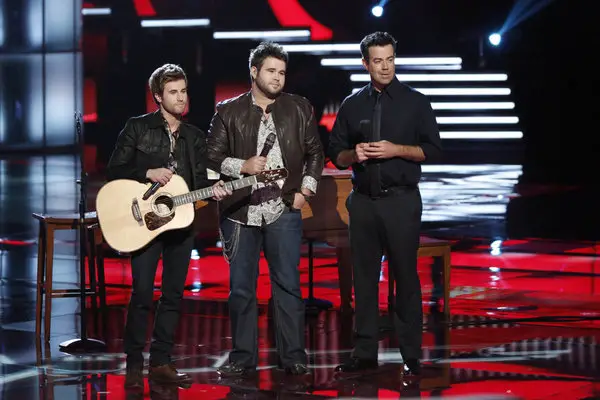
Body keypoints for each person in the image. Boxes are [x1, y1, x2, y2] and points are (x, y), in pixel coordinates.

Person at [106, 64, 231, 389]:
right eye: (173, 92)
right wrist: (147, 172)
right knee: (142, 293)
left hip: (180, 224)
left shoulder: (195, 137)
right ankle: (135, 362)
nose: (181, 98)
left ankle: (161, 361)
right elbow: (114, 169)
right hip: (145, 224)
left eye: (184, 91)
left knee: (173, 295)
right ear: (158, 96)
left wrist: (214, 191)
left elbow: (200, 184)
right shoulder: (138, 127)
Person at [328, 32, 442, 377]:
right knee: (363, 280)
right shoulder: (352, 104)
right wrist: (354, 154)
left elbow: (433, 150)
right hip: (363, 203)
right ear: (366, 63)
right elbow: (336, 154)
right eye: (378, 61)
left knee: (406, 278)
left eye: (390, 59)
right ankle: (364, 353)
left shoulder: (416, 102)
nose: (385, 67)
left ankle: (411, 355)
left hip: (401, 202)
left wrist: (397, 150)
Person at [206, 41, 324, 377]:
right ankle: (242, 358)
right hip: (240, 212)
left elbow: (316, 153)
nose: (277, 78)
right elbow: (211, 157)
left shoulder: (299, 108)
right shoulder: (228, 111)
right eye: (271, 71)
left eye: (282, 72)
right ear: (254, 71)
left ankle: (294, 357)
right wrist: (242, 165)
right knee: (242, 289)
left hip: (283, 208)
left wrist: (305, 192)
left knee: (287, 285)